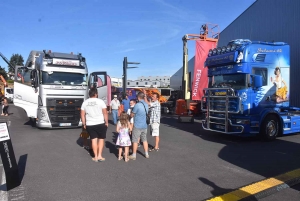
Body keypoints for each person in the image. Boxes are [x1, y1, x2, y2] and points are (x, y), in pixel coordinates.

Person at [81, 88, 108, 162]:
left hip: (90, 123)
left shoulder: (85, 102)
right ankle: (100, 155)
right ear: (96, 94)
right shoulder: (101, 101)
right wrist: (106, 122)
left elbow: (82, 114)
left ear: (89, 94)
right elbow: (105, 112)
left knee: (93, 139)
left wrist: (84, 123)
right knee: (101, 139)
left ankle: (95, 156)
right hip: (100, 122)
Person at [128, 92, 149, 160]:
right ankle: (146, 153)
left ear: (138, 97)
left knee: (135, 140)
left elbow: (132, 114)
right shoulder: (146, 105)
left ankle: (134, 155)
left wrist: (129, 115)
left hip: (137, 125)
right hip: (144, 125)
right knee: (144, 139)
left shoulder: (137, 105)